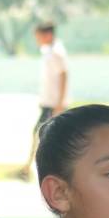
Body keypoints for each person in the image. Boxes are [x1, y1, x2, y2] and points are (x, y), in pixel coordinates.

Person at [14, 21, 69, 181]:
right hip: (48, 103)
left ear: (48, 35)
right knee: (45, 137)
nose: (37, 39)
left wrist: (59, 103)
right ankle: (30, 168)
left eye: (39, 36)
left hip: (53, 105)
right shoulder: (48, 51)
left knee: (42, 135)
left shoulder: (56, 53)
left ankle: (29, 169)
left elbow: (63, 76)